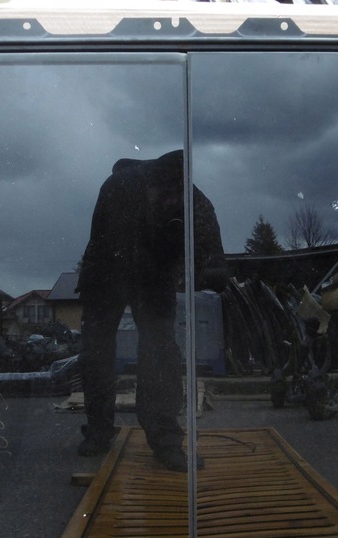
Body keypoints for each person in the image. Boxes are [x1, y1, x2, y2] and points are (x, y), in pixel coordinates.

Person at [75, 150, 227, 471]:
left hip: (151, 273)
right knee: (101, 352)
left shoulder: (192, 197)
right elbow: (101, 241)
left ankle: (161, 439)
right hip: (107, 270)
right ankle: (104, 431)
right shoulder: (118, 187)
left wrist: (211, 268)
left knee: (157, 350)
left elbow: (208, 235)